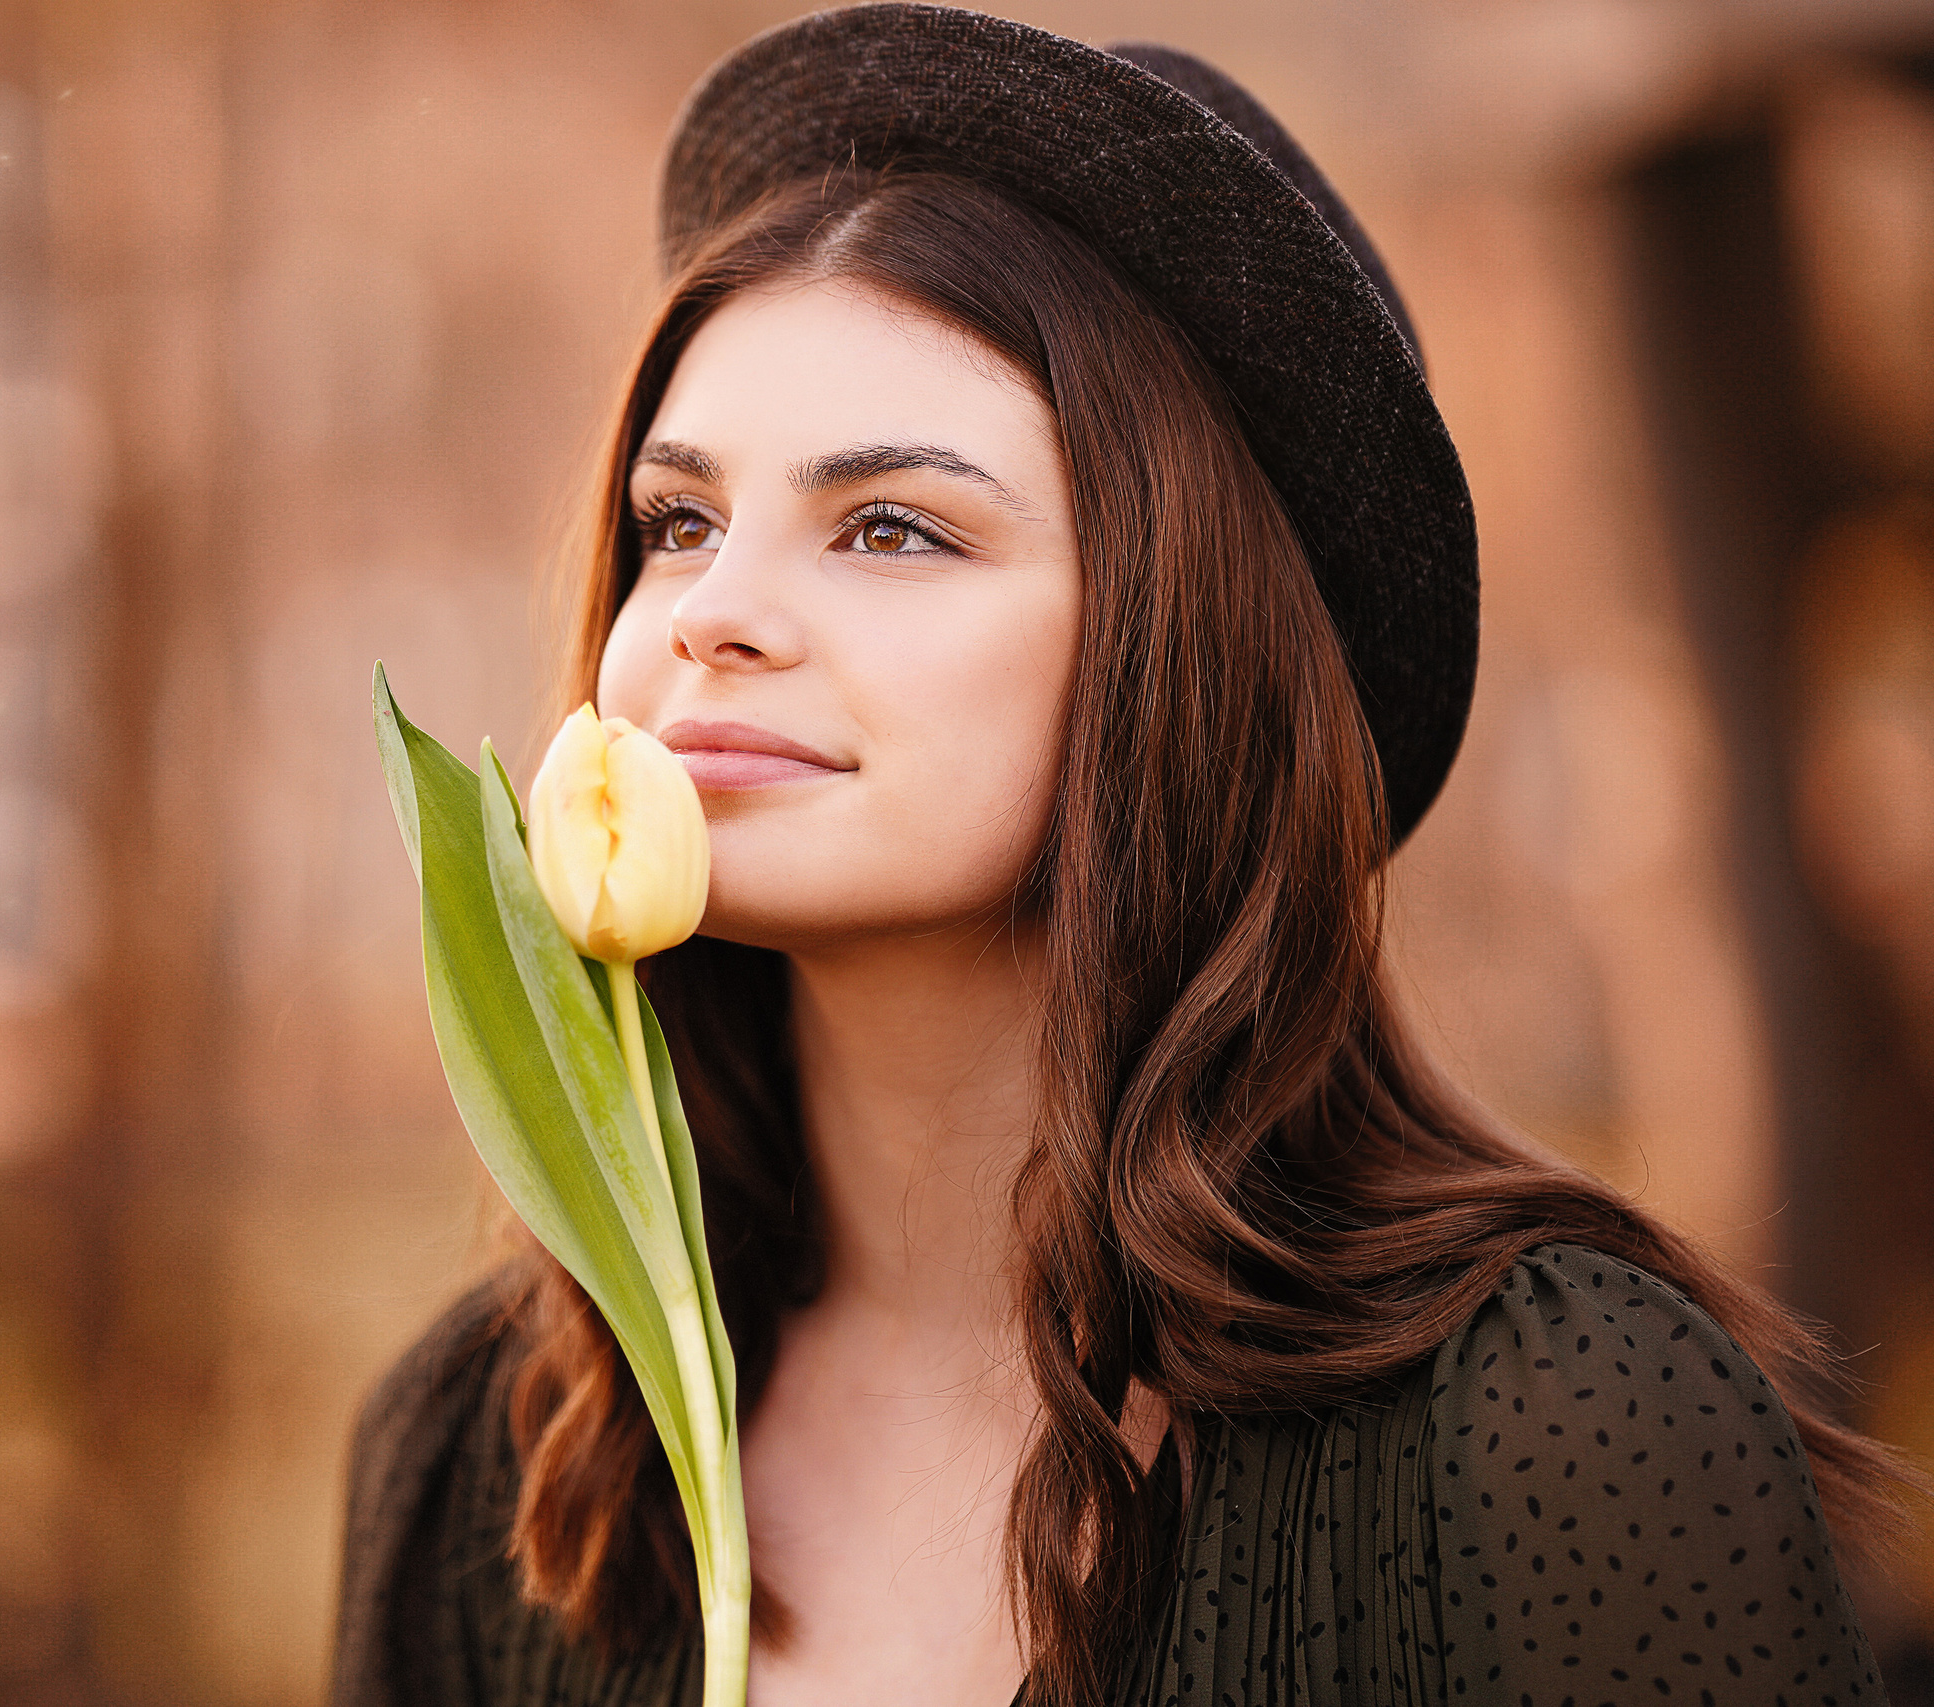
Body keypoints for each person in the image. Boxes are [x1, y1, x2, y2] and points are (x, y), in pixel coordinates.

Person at [332, 7, 1914, 1705]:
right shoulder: (498, 1467)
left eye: (892, 527)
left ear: (1179, 651)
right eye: (681, 521)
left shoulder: (1564, 1435)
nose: (712, 615)